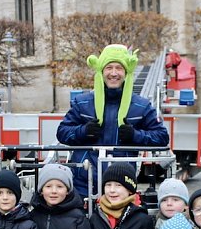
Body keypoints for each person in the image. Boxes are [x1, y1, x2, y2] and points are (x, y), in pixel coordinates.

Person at [56, 44, 170, 199]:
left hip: (122, 184)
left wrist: (135, 135)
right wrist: (83, 131)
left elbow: (162, 137)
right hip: (84, 183)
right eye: (109, 67)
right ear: (101, 71)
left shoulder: (141, 105)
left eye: (119, 68)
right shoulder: (82, 102)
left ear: (127, 72)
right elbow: (62, 133)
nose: (114, 73)